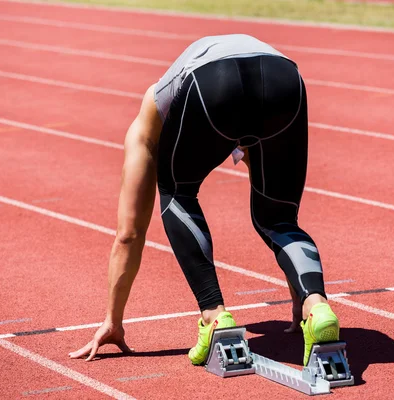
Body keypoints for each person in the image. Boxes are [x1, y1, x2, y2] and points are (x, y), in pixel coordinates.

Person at [69, 34, 340, 367]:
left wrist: (113, 320)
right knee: (278, 218)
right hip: (284, 77)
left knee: (177, 195)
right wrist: (299, 291)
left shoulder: (143, 129)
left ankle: (214, 315)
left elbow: (129, 233)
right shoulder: (178, 109)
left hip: (212, 82)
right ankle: (317, 306)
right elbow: (268, 191)